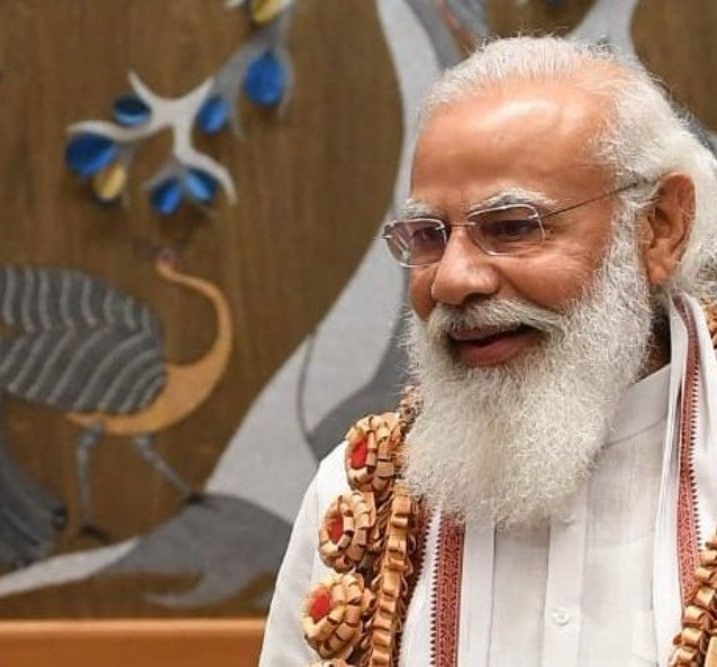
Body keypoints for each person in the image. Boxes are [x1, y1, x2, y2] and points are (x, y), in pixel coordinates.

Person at [260, 36, 717, 666]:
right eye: (428, 235)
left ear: (660, 227)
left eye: (512, 227)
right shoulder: (357, 499)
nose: (451, 280)